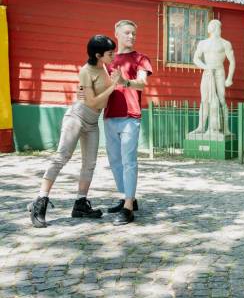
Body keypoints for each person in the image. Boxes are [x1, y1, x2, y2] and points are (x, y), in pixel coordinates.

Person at [28, 35, 119, 228]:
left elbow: (94, 98)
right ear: (98, 54)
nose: (114, 55)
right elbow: (93, 101)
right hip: (77, 116)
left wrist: (111, 84)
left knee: (90, 164)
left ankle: (80, 204)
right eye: (111, 53)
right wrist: (113, 86)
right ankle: (40, 201)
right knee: (62, 156)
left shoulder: (104, 66)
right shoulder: (86, 71)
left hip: (93, 122)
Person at [104, 20, 153, 226]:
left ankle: (128, 208)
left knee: (129, 161)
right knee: (115, 162)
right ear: (116, 34)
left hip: (130, 117)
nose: (131, 36)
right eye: (127, 33)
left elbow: (142, 83)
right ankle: (127, 197)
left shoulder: (140, 58)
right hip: (109, 116)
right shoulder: (108, 60)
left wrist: (125, 82)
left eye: (134, 33)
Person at [189, 19, 236, 139]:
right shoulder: (203, 43)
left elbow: (232, 61)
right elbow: (196, 58)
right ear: (213, 29)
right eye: (218, 28)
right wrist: (205, 67)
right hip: (207, 73)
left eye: (219, 28)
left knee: (221, 99)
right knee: (204, 100)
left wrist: (229, 78)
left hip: (219, 72)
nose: (219, 30)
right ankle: (201, 127)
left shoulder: (225, 43)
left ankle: (225, 129)